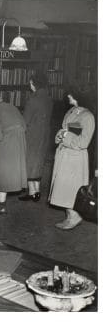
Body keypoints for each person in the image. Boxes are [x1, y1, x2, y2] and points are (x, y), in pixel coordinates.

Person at [50, 88, 95, 230]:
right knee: (63, 189)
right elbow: (69, 131)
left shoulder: (87, 116)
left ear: (78, 96)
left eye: (70, 95)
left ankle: (74, 217)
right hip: (64, 156)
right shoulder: (73, 111)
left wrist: (65, 137)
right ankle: (70, 216)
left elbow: (83, 142)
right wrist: (59, 136)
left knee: (71, 190)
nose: (68, 97)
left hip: (75, 159)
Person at [0, 91, 27, 214]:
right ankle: (1, 199)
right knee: (10, 171)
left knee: (2, 171)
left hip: (8, 139)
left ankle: (1, 205)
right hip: (20, 138)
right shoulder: (10, 105)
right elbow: (23, 124)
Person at [19, 73, 53, 202]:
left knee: (30, 162)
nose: (30, 85)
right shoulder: (49, 98)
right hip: (45, 134)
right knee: (38, 162)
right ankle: (35, 192)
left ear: (34, 83)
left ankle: (33, 192)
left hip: (32, 134)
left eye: (30, 83)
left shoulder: (33, 99)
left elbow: (25, 120)